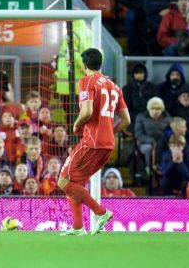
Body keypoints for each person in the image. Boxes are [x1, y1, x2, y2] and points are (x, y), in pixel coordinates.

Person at [58, 48, 131, 236]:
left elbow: (87, 111)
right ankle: (77, 227)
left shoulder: (87, 81)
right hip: (107, 144)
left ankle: (101, 212)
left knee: (63, 181)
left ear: (84, 65)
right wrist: (110, 131)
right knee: (75, 181)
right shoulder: (114, 86)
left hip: (92, 141)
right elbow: (126, 120)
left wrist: (76, 124)